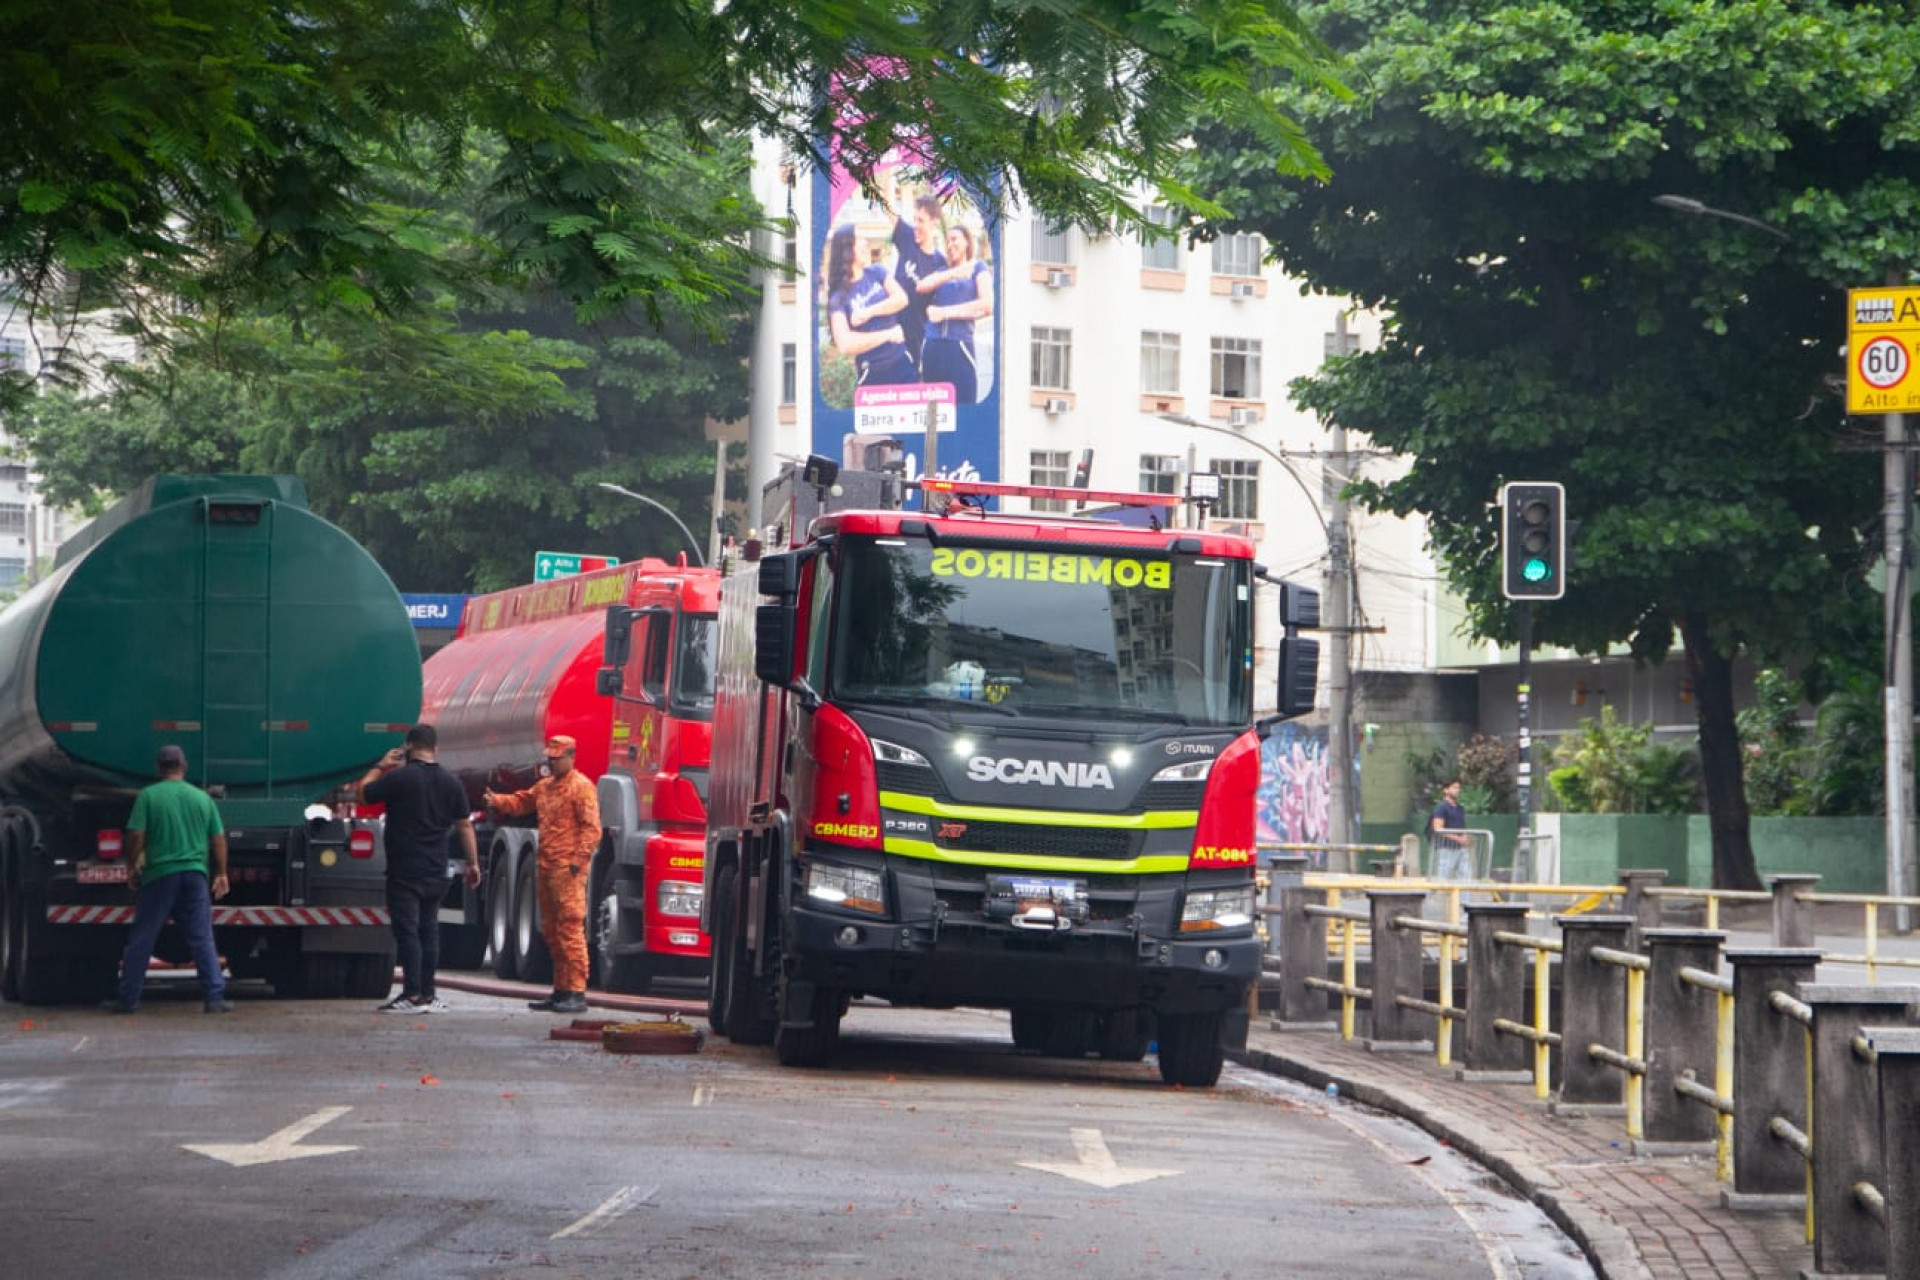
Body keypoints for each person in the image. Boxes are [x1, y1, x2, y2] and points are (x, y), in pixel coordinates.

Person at [356, 723, 479, 1013]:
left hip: (405, 870)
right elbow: (465, 825)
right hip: (436, 870)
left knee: (407, 931)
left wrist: (380, 766)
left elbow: (363, 795)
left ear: (409, 746)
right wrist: (473, 863)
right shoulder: (452, 783)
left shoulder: (400, 778)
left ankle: (411, 994)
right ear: (435, 748)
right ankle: (428, 994)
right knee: (429, 931)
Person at [102, 745, 233, 1014]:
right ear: (183, 766)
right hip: (195, 874)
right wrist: (221, 873)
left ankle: (128, 999)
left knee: (144, 937)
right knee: (201, 937)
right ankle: (214, 998)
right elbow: (218, 839)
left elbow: (136, 835)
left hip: (160, 875)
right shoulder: (202, 798)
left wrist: (132, 866)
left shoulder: (149, 796)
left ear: (159, 768)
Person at [483, 735, 601, 1014]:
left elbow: (591, 829)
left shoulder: (582, 787)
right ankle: (560, 990)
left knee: (570, 928)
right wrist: (497, 801)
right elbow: (522, 802)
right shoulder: (545, 787)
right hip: (547, 867)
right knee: (551, 930)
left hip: (567, 870)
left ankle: (576, 991)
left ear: (571, 757)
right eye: (550, 757)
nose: (552, 762)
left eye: (557, 758)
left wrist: (577, 862)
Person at [824, 223, 916, 387]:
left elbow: (901, 299)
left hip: (903, 365)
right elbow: (845, 344)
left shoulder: (877, 272)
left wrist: (868, 312)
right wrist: (888, 334)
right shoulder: (838, 298)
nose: (865, 242)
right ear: (847, 248)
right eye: (860, 238)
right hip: (872, 373)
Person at [918, 223, 994, 403]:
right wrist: (953, 273)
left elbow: (987, 305)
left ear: (967, 241)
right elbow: (921, 286)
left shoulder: (978, 268)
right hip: (932, 346)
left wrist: (944, 312)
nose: (950, 245)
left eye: (954, 239)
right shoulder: (941, 272)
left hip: (960, 347)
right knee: (932, 410)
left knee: (964, 407)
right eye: (947, 241)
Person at [889, 192, 948, 369]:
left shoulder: (941, 263)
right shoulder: (907, 238)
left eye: (920, 220)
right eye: (914, 219)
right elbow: (888, 208)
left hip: (918, 341)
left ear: (934, 223)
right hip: (892, 331)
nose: (915, 225)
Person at [1429, 777, 1474, 881]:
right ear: (1446, 790)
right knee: (1443, 878)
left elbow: (1462, 827)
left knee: (1466, 877)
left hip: (1461, 848)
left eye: (1458, 788)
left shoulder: (1460, 808)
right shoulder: (1441, 808)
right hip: (1446, 848)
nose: (1457, 790)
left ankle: (1465, 893)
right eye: (1454, 787)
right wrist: (1458, 838)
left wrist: (1465, 838)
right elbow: (1438, 828)